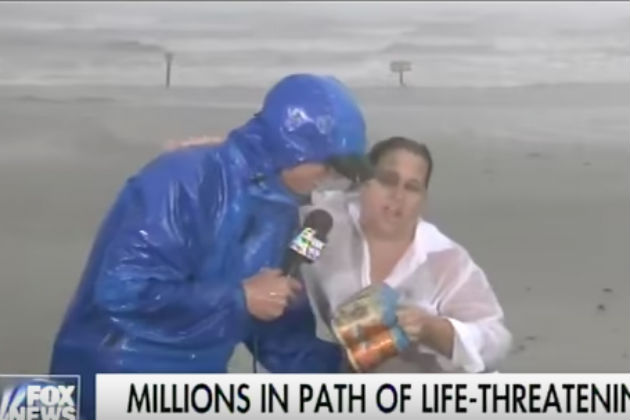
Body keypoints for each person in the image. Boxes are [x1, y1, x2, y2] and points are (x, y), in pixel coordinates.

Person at [49, 74, 373, 419]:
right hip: (113, 374)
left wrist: (348, 372)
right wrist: (239, 298)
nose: (328, 179)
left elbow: (276, 333)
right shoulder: (182, 179)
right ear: (292, 147)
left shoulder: (282, 213)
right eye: (327, 165)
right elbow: (123, 290)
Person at [302, 136, 512, 373]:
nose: (398, 196)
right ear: (362, 182)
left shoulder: (443, 259)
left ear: (423, 201)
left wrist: (431, 329)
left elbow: (496, 341)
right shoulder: (326, 223)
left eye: (412, 188)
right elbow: (281, 196)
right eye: (387, 180)